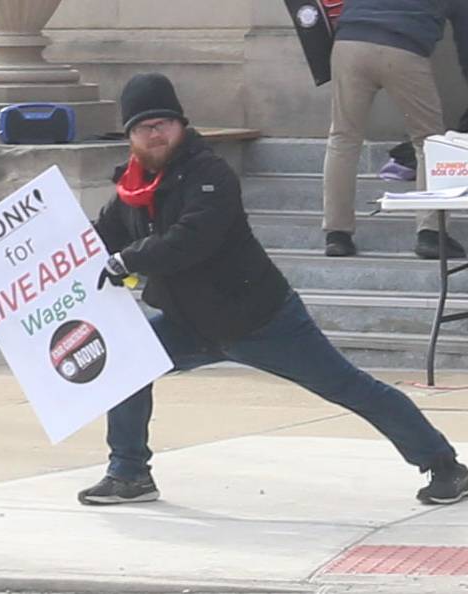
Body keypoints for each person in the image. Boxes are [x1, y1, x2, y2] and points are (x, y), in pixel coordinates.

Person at [69, 72, 467, 507]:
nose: (155, 132)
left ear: (181, 125)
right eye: (144, 126)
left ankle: (445, 465)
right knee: (127, 367)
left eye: (164, 122)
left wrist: (131, 259)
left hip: (262, 320)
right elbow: (89, 244)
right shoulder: (130, 190)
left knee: (349, 387)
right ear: (130, 136)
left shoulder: (210, 174)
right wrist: (17, 307)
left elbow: (192, 239)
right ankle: (129, 475)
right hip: (191, 322)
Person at [322, 0, 468, 259]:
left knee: (343, 138)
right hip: (404, 48)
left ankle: (337, 234)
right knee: (429, 143)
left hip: (350, 42)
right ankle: (431, 233)